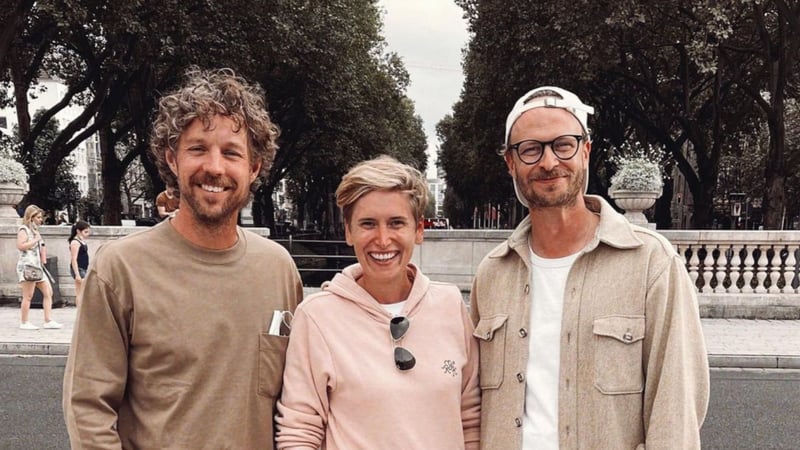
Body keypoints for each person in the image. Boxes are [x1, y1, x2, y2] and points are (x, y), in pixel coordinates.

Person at [62, 68, 304, 449]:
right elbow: (89, 407)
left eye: (231, 152)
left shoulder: (278, 269)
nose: (214, 167)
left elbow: (297, 403)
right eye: (198, 148)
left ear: (253, 168)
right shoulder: (120, 269)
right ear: (172, 159)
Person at [470, 87, 709, 449]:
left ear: (585, 151)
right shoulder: (492, 274)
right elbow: (471, 404)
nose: (548, 162)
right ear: (511, 163)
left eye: (562, 144)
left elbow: (676, 408)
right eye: (530, 149)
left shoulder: (650, 263)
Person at [276, 155, 480, 449]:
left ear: (418, 230)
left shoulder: (451, 306)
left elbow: (470, 418)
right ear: (349, 231)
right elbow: (298, 431)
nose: (383, 240)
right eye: (368, 224)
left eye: (396, 223)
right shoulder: (316, 317)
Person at [16, 204, 63, 330]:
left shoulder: (35, 230)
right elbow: (20, 246)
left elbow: (41, 245)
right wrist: (35, 240)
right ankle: (24, 321)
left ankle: (48, 320)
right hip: (28, 266)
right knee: (28, 295)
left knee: (48, 292)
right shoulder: (24, 230)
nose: (40, 219)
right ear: (31, 217)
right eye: (38, 217)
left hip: (37, 266)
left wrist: (42, 256)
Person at [67, 220, 91, 307]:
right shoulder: (75, 242)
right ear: (78, 231)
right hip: (79, 269)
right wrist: (77, 274)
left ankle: (81, 311)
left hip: (82, 268)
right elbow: (74, 259)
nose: (87, 234)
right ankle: (80, 311)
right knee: (80, 292)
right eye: (85, 232)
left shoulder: (80, 241)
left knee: (80, 291)